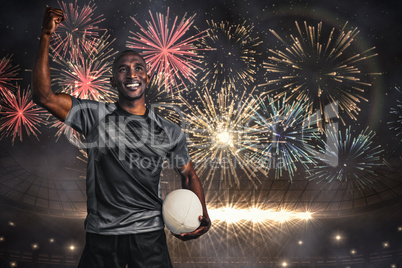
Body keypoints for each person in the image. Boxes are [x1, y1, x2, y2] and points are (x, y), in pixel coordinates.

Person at [32, 7, 211, 268]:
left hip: (149, 236)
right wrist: (46, 35)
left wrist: (202, 214)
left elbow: (188, 175)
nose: (131, 74)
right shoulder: (93, 116)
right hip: (102, 236)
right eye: (123, 69)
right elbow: (43, 96)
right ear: (114, 81)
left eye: (138, 68)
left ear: (148, 78)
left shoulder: (169, 130)